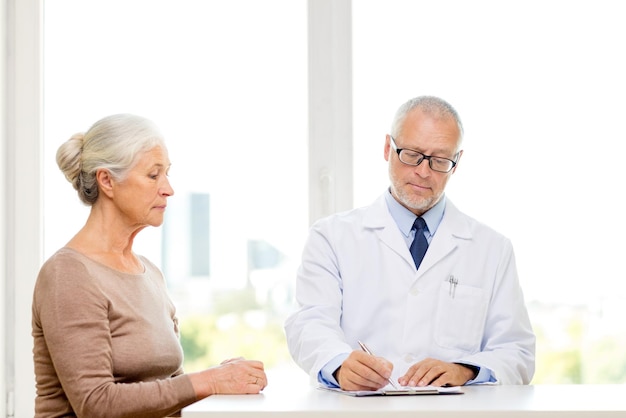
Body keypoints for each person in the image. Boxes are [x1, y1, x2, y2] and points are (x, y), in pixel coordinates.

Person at [284, 95, 535, 391]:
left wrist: (466, 370)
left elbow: (517, 351)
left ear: (456, 163)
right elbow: (309, 325)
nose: (423, 171)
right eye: (412, 154)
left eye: (440, 160)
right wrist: (339, 364)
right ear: (388, 148)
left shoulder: (492, 249)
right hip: (359, 411)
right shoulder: (331, 237)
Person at [32, 114, 268, 418]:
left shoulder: (150, 274)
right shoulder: (69, 274)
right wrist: (207, 380)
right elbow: (96, 404)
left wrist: (224, 379)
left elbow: (167, 392)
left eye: (167, 174)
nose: (168, 188)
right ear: (107, 181)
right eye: (153, 175)